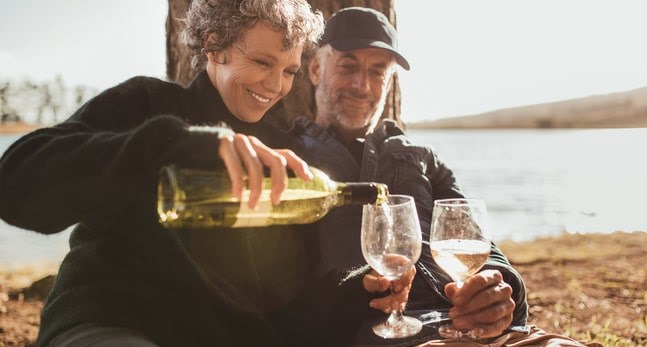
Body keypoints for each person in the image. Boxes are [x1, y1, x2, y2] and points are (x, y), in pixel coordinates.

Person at [0, 1, 328, 346]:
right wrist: (177, 146)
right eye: (263, 62)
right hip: (113, 323)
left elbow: (290, 295)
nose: (277, 85)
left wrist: (361, 291)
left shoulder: (283, 154)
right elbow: (16, 184)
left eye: (290, 71)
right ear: (214, 45)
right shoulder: (147, 104)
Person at [289, 7, 597, 347]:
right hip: (390, 337)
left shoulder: (422, 157)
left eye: (378, 72)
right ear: (316, 69)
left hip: (485, 332)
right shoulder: (289, 158)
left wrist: (499, 290)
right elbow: (283, 293)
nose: (363, 85)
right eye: (348, 66)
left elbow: (479, 244)